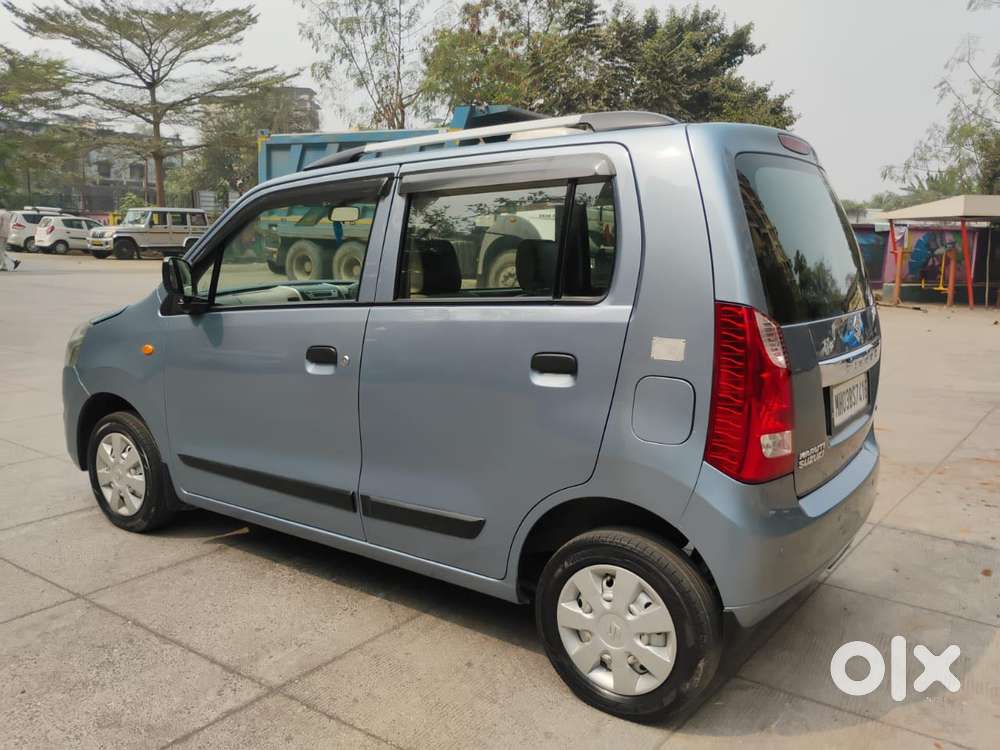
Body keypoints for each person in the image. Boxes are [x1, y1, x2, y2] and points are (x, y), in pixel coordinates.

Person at [0, 204, 21, 271]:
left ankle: (4, 265)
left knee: (1, 251)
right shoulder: (7, 213)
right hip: (6, 234)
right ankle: (14, 261)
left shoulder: (0, 213)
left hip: (1, 234)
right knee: (2, 250)